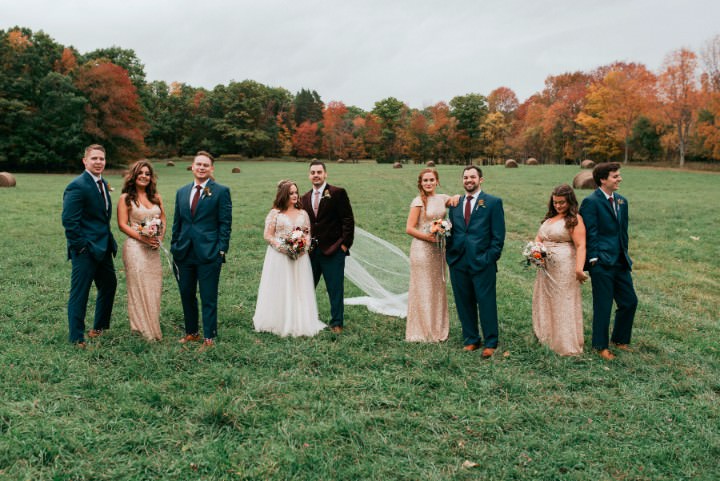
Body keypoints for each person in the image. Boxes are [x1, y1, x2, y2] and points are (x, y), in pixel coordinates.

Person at [170, 151, 232, 349]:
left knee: (208, 296)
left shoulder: (221, 191)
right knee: (186, 293)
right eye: (198, 164)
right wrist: (174, 245)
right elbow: (177, 222)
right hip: (184, 252)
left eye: (206, 165)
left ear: (211, 168)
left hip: (209, 253)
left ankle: (209, 337)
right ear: (192, 166)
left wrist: (221, 250)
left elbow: (225, 223)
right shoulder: (181, 191)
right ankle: (192, 333)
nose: (202, 167)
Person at [579, 162, 638, 361]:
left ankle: (620, 340)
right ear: (603, 179)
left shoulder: (622, 201)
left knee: (629, 301)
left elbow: (623, 232)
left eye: (619, 175)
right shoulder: (591, 202)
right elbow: (590, 233)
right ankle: (600, 346)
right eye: (615, 176)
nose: (619, 178)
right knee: (603, 305)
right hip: (602, 263)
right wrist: (594, 260)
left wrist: (625, 253)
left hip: (621, 262)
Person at [61, 144, 118, 347]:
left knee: (109, 285)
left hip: (103, 248)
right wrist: (81, 247)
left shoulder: (103, 183)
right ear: (85, 161)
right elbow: (69, 221)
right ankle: (77, 338)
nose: (98, 162)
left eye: (101, 158)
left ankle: (98, 328)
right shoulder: (77, 185)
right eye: (94, 158)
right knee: (80, 292)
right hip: (85, 250)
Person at [445, 166, 505, 357]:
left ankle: (491, 342)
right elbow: (451, 230)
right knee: (463, 302)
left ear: (481, 180)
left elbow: (498, 236)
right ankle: (471, 339)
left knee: (486, 302)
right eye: (465, 177)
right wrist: (451, 255)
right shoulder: (455, 204)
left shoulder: (493, 203)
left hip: (482, 261)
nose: (469, 180)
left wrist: (489, 258)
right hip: (458, 260)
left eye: (472, 177)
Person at [253, 180, 326, 337]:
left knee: (298, 286)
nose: (294, 195)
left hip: (300, 257)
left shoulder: (303, 213)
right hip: (279, 256)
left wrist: (303, 247)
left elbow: (307, 234)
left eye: (296, 192)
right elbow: (267, 235)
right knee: (280, 286)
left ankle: (299, 320)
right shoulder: (275, 213)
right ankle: (278, 320)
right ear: (283, 194)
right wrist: (283, 248)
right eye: (291, 193)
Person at [531, 184, 588, 356]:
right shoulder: (550, 219)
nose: (558, 206)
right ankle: (547, 336)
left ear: (570, 201)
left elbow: (581, 245)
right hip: (546, 267)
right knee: (546, 299)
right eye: (555, 202)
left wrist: (579, 269)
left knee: (563, 302)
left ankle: (566, 344)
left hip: (564, 267)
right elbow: (539, 237)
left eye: (562, 202)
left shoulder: (574, 219)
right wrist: (535, 250)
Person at [404, 168, 458, 342]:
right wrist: (429, 238)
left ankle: (437, 327)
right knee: (423, 287)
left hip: (438, 251)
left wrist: (457, 196)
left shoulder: (442, 198)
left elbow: (455, 201)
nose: (428, 183)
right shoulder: (418, 201)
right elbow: (409, 228)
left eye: (431, 180)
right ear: (421, 183)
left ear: (437, 181)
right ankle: (422, 329)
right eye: (425, 180)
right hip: (422, 250)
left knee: (437, 287)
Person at [301, 161, 355, 334]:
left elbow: (348, 220)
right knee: (307, 287)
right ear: (309, 175)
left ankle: (336, 323)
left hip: (334, 250)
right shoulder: (304, 197)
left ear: (325, 174)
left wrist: (344, 245)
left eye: (319, 172)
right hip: (311, 252)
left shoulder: (337, 193)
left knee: (335, 288)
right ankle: (306, 318)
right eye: (313, 172)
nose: (316, 175)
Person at [117, 161, 166, 341]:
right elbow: (122, 224)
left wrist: (158, 239)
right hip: (135, 248)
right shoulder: (125, 198)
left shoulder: (156, 197)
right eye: (141, 173)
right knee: (138, 287)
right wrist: (143, 238)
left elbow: (163, 219)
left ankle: (153, 326)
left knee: (154, 287)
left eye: (147, 173)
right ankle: (141, 329)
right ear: (134, 176)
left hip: (153, 248)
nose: (144, 176)